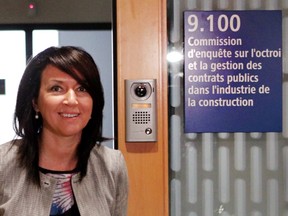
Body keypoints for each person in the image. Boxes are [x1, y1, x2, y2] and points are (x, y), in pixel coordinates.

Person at [0, 46, 129, 215]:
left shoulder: (112, 165)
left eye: (82, 89)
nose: (71, 100)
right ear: (35, 103)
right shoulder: (3, 162)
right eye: (56, 88)